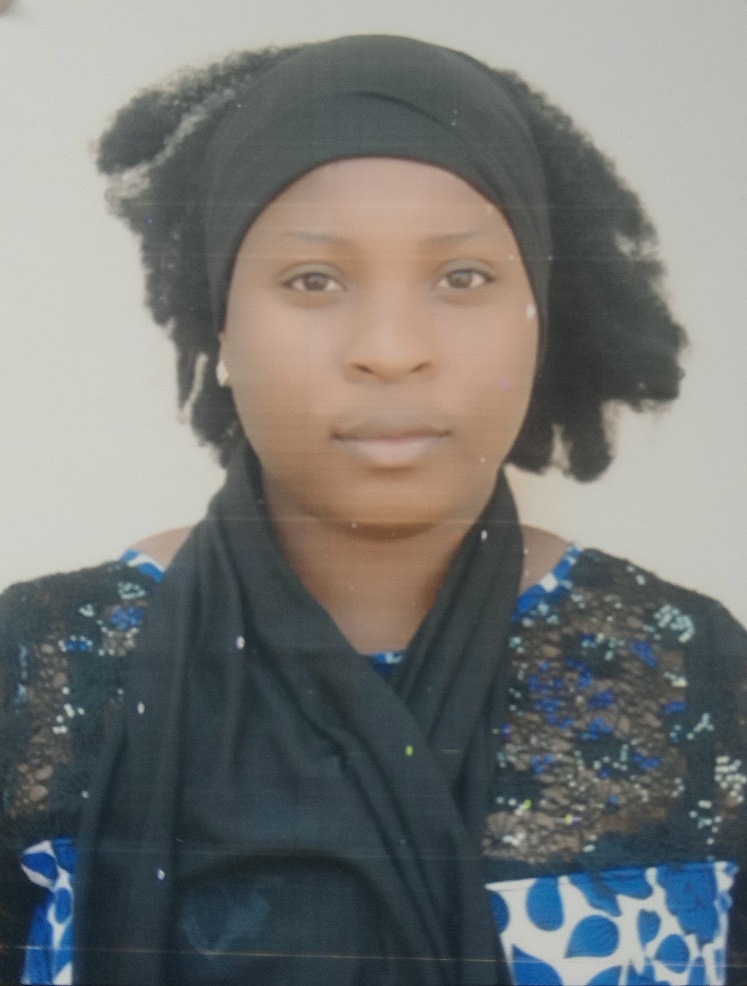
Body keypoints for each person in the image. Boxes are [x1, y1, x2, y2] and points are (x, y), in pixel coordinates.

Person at [0, 34, 745, 986]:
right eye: (313, 280)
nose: (390, 349)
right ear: (221, 322)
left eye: (462, 277)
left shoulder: (692, 673)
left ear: (539, 316)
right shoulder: (37, 670)